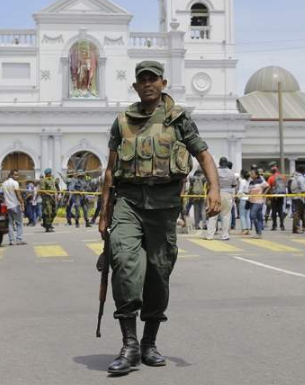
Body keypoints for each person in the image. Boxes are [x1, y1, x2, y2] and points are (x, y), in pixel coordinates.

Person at [99, 61, 221, 375]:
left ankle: (149, 342)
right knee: (124, 264)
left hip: (164, 206)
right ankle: (129, 345)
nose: (148, 84)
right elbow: (110, 171)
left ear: (163, 83)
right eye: (142, 80)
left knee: (158, 273)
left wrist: (214, 190)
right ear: (136, 86)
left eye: (153, 79)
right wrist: (104, 214)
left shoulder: (178, 119)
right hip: (128, 202)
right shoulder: (122, 122)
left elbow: (203, 154)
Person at [206, 157, 236, 240]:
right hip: (227, 195)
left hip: (217, 194)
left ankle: (210, 235)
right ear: (226, 163)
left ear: (219, 163)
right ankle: (225, 235)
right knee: (226, 215)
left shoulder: (215, 172)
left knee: (213, 215)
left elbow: (210, 182)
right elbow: (234, 184)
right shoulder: (231, 173)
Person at [1, 170, 26, 245]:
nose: (17, 176)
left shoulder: (4, 183)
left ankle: (11, 240)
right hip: (15, 205)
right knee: (19, 223)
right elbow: (18, 194)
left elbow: (1, 195)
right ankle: (19, 239)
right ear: (11, 175)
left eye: (17, 175)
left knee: (10, 223)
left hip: (7, 206)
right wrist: (22, 203)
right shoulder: (15, 183)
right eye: (15, 175)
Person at [248, 170, 269, 239]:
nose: (251, 175)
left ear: (256, 175)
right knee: (257, 217)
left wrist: (264, 194)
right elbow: (249, 191)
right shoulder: (251, 182)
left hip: (258, 201)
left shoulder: (261, 181)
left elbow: (268, 186)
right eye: (251, 174)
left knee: (252, 215)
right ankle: (258, 233)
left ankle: (259, 232)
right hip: (251, 201)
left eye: (252, 173)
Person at [290, 165, 305, 234]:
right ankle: (296, 229)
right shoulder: (301, 178)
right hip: (300, 197)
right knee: (298, 213)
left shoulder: (294, 176)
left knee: (301, 213)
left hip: (295, 196)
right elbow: (303, 189)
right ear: (303, 170)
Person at [267, 162, 287, 231]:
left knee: (274, 211)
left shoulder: (271, 177)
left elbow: (269, 187)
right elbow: (285, 185)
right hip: (281, 195)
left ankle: (274, 225)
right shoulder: (283, 176)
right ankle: (282, 225)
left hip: (274, 195)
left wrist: (269, 196)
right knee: (280, 210)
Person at [237, 170, 251, 235]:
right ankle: (248, 229)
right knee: (247, 214)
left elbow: (240, 190)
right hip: (248, 198)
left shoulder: (242, 181)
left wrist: (237, 196)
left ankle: (244, 229)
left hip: (243, 198)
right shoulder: (249, 181)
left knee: (242, 215)